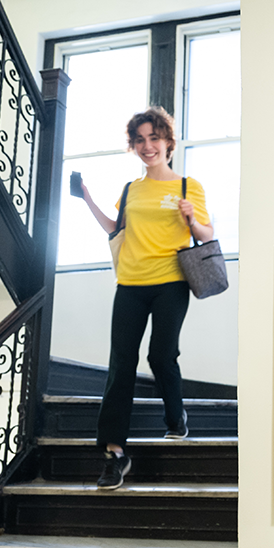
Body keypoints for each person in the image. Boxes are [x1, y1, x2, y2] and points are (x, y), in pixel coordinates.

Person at [79, 106, 214, 489]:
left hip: (172, 281)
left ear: (168, 143)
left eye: (154, 138)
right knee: (120, 364)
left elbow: (207, 236)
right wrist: (88, 198)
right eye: (139, 140)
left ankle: (176, 417)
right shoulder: (130, 190)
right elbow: (114, 228)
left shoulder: (189, 187)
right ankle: (114, 453)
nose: (147, 146)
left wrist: (192, 219)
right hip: (130, 283)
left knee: (160, 354)